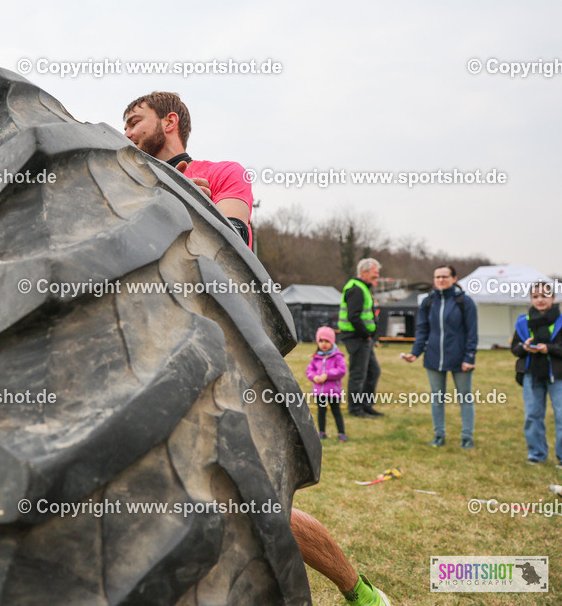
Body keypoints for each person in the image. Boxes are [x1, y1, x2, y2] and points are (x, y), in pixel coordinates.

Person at [123, 96, 389, 604]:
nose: (129, 133)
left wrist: (190, 201)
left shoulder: (221, 172)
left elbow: (236, 241)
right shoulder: (122, 181)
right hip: (144, 345)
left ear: (169, 122)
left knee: (253, 494)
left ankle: (360, 591)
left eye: (135, 121)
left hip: (214, 345)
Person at [122, 92, 254, 247]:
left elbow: (233, 246)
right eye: (125, 128)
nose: (126, 135)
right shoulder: (129, 192)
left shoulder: (225, 172)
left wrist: (183, 209)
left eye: (135, 123)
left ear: (169, 122)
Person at [402, 266, 478, 448]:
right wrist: (415, 352)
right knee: (437, 399)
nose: (441, 280)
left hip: (460, 359)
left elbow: (472, 332)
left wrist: (469, 357)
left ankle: (467, 437)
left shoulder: (465, 302)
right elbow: (422, 330)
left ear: (454, 278)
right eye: (437, 277)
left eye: (445, 276)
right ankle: (439, 435)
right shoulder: (428, 302)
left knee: (465, 397)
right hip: (434, 358)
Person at [510, 282, 562, 467]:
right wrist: (524, 347)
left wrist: (548, 348)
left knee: (561, 416)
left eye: (544, 296)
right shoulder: (523, 322)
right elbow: (514, 348)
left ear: (553, 298)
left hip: (558, 376)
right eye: (535, 296)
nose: (540, 300)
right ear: (531, 299)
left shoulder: (560, 320)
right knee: (532, 415)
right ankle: (536, 454)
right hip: (532, 375)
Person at [338, 258, 383, 417]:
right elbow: (354, 316)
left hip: (364, 339)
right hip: (357, 338)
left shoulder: (363, 288)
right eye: (375, 274)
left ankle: (366, 405)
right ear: (364, 272)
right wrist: (366, 335)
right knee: (358, 374)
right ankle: (356, 409)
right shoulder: (356, 289)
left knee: (373, 372)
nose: (376, 277)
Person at [308, 327, 348, 442]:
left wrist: (327, 375)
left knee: (336, 411)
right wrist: (314, 377)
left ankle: (341, 433)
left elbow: (341, 370)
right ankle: (321, 432)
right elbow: (309, 370)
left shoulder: (337, 356)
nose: (324, 344)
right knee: (321, 411)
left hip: (333, 392)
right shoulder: (316, 357)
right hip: (320, 392)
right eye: (321, 341)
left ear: (332, 342)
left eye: (327, 341)